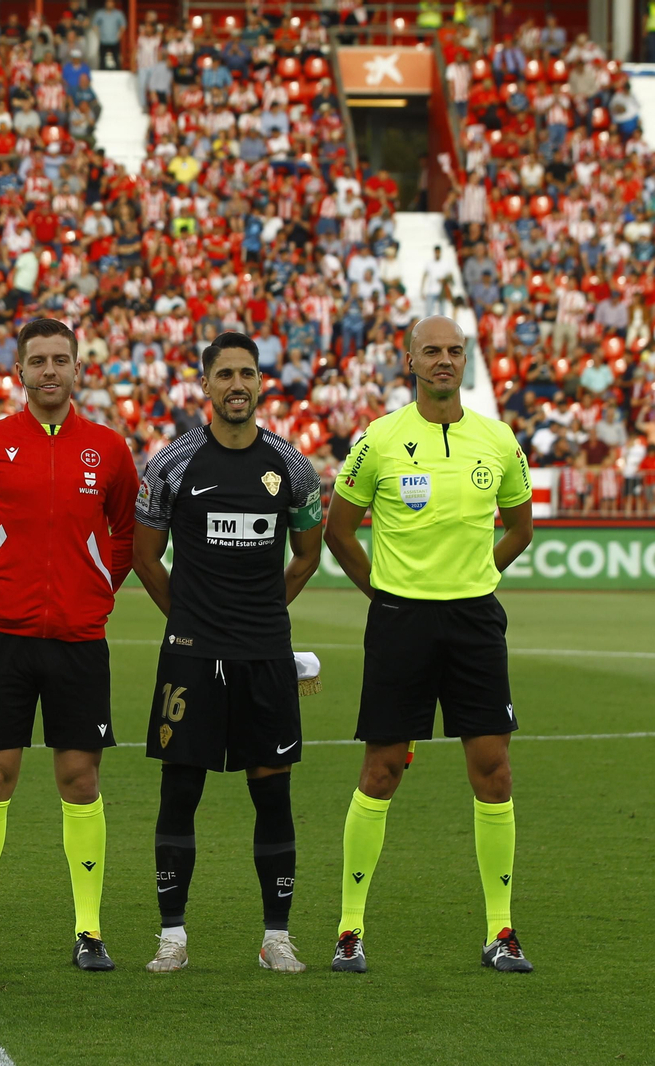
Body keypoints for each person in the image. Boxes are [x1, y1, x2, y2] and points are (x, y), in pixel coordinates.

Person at [323, 315, 536, 974]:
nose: (444, 361)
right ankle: (349, 931)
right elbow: (339, 531)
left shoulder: (498, 439)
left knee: (492, 769)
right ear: (409, 358)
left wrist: (475, 580)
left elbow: (521, 528)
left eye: (454, 351)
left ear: (464, 360)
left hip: (473, 623)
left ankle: (501, 930)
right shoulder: (380, 439)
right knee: (381, 770)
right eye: (432, 351)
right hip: (401, 622)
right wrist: (386, 595)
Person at [0, 318, 140, 972]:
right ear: (19, 371)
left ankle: (88, 929)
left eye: (61, 360)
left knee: (79, 779)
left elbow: (124, 534)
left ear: (78, 368)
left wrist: (96, 591)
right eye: (38, 361)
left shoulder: (108, 449)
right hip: (2, 637)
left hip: (80, 641)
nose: (50, 370)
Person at [130, 332, 324, 974]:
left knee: (272, 794)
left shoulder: (293, 468)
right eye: (224, 374)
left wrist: (264, 616)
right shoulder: (171, 464)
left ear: (261, 383)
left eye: (247, 373)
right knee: (180, 791)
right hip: (190, 656)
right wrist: (189, 621)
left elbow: (307, 555)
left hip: (265, 655)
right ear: (205, 384)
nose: (236, 385)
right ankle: (173, 937)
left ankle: (276, 939)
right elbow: (144, 557)